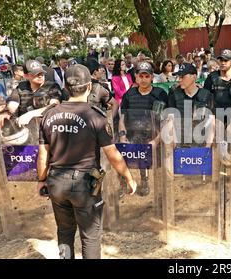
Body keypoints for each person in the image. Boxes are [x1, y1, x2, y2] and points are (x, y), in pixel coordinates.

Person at [37, 64, 137, 259]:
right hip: (85, 183)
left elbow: (43, 155)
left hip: (56, 180)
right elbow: (112, 153)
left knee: (64, 232)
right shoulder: (95, 116)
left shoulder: (48, 115)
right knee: (90, 237)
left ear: (66, 87)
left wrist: (42, 180)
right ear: (89, 87)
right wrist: (128, 176)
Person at [119, 62, 168, 196]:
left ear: (152, 77)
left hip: (152, 135)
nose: (143, 79)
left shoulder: (160, 94)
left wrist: (157, 140)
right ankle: (123, 182)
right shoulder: (129, 94)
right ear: (136, 77)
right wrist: (122, 136)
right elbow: (122, 118)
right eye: (141, 76)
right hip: (131, 133)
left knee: (148, 160)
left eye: (147, 76)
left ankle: (145, 180)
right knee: (120, 153)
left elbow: (166, 120)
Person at [4, 60, 62, 127]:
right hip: (27, 130)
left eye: (41, 73)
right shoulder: (20, 87)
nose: (40, 76)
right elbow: (12, 105)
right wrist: (5, 113)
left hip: (47, 127)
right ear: (26, 76)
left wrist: (31, 114)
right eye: (36, 74)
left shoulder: (52, 86)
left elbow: (54, 105)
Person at [168, 63, 214, 147]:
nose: (179, 80)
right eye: (179, 77)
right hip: (180, 144)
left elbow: (212, 122)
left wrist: (207, 147)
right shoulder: (174, 95)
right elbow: (171, 121)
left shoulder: (207, 95)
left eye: (182, 77)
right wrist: (175, 144)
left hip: (201, 143)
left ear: (194, 77)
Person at [204, 49, 231, 123]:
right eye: (221, 60)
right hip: (216, 119)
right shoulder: (211, 77)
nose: (222, 63)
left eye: (226, 60)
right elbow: (205, 98)